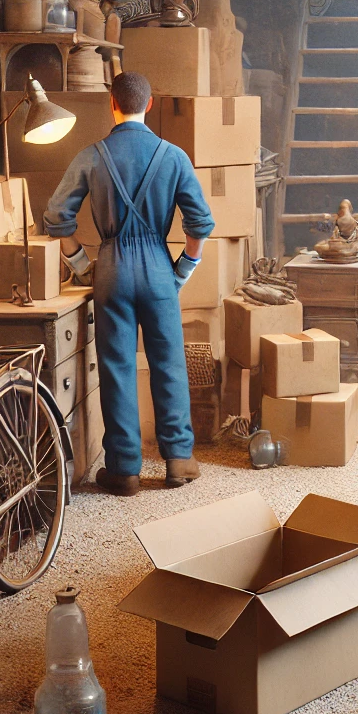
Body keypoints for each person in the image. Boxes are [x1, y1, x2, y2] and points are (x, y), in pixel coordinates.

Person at [44, 71, 215, 497]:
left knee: (117, 369)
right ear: (150, 104)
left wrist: (82, 263)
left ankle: (124, 469)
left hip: (112, 269)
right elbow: (200, 224)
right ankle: (178, 460)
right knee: (169, 364)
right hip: (159, 268)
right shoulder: (173, 156)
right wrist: (182, 269)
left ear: (112, 105)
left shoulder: (92, 155)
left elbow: (56, 217)